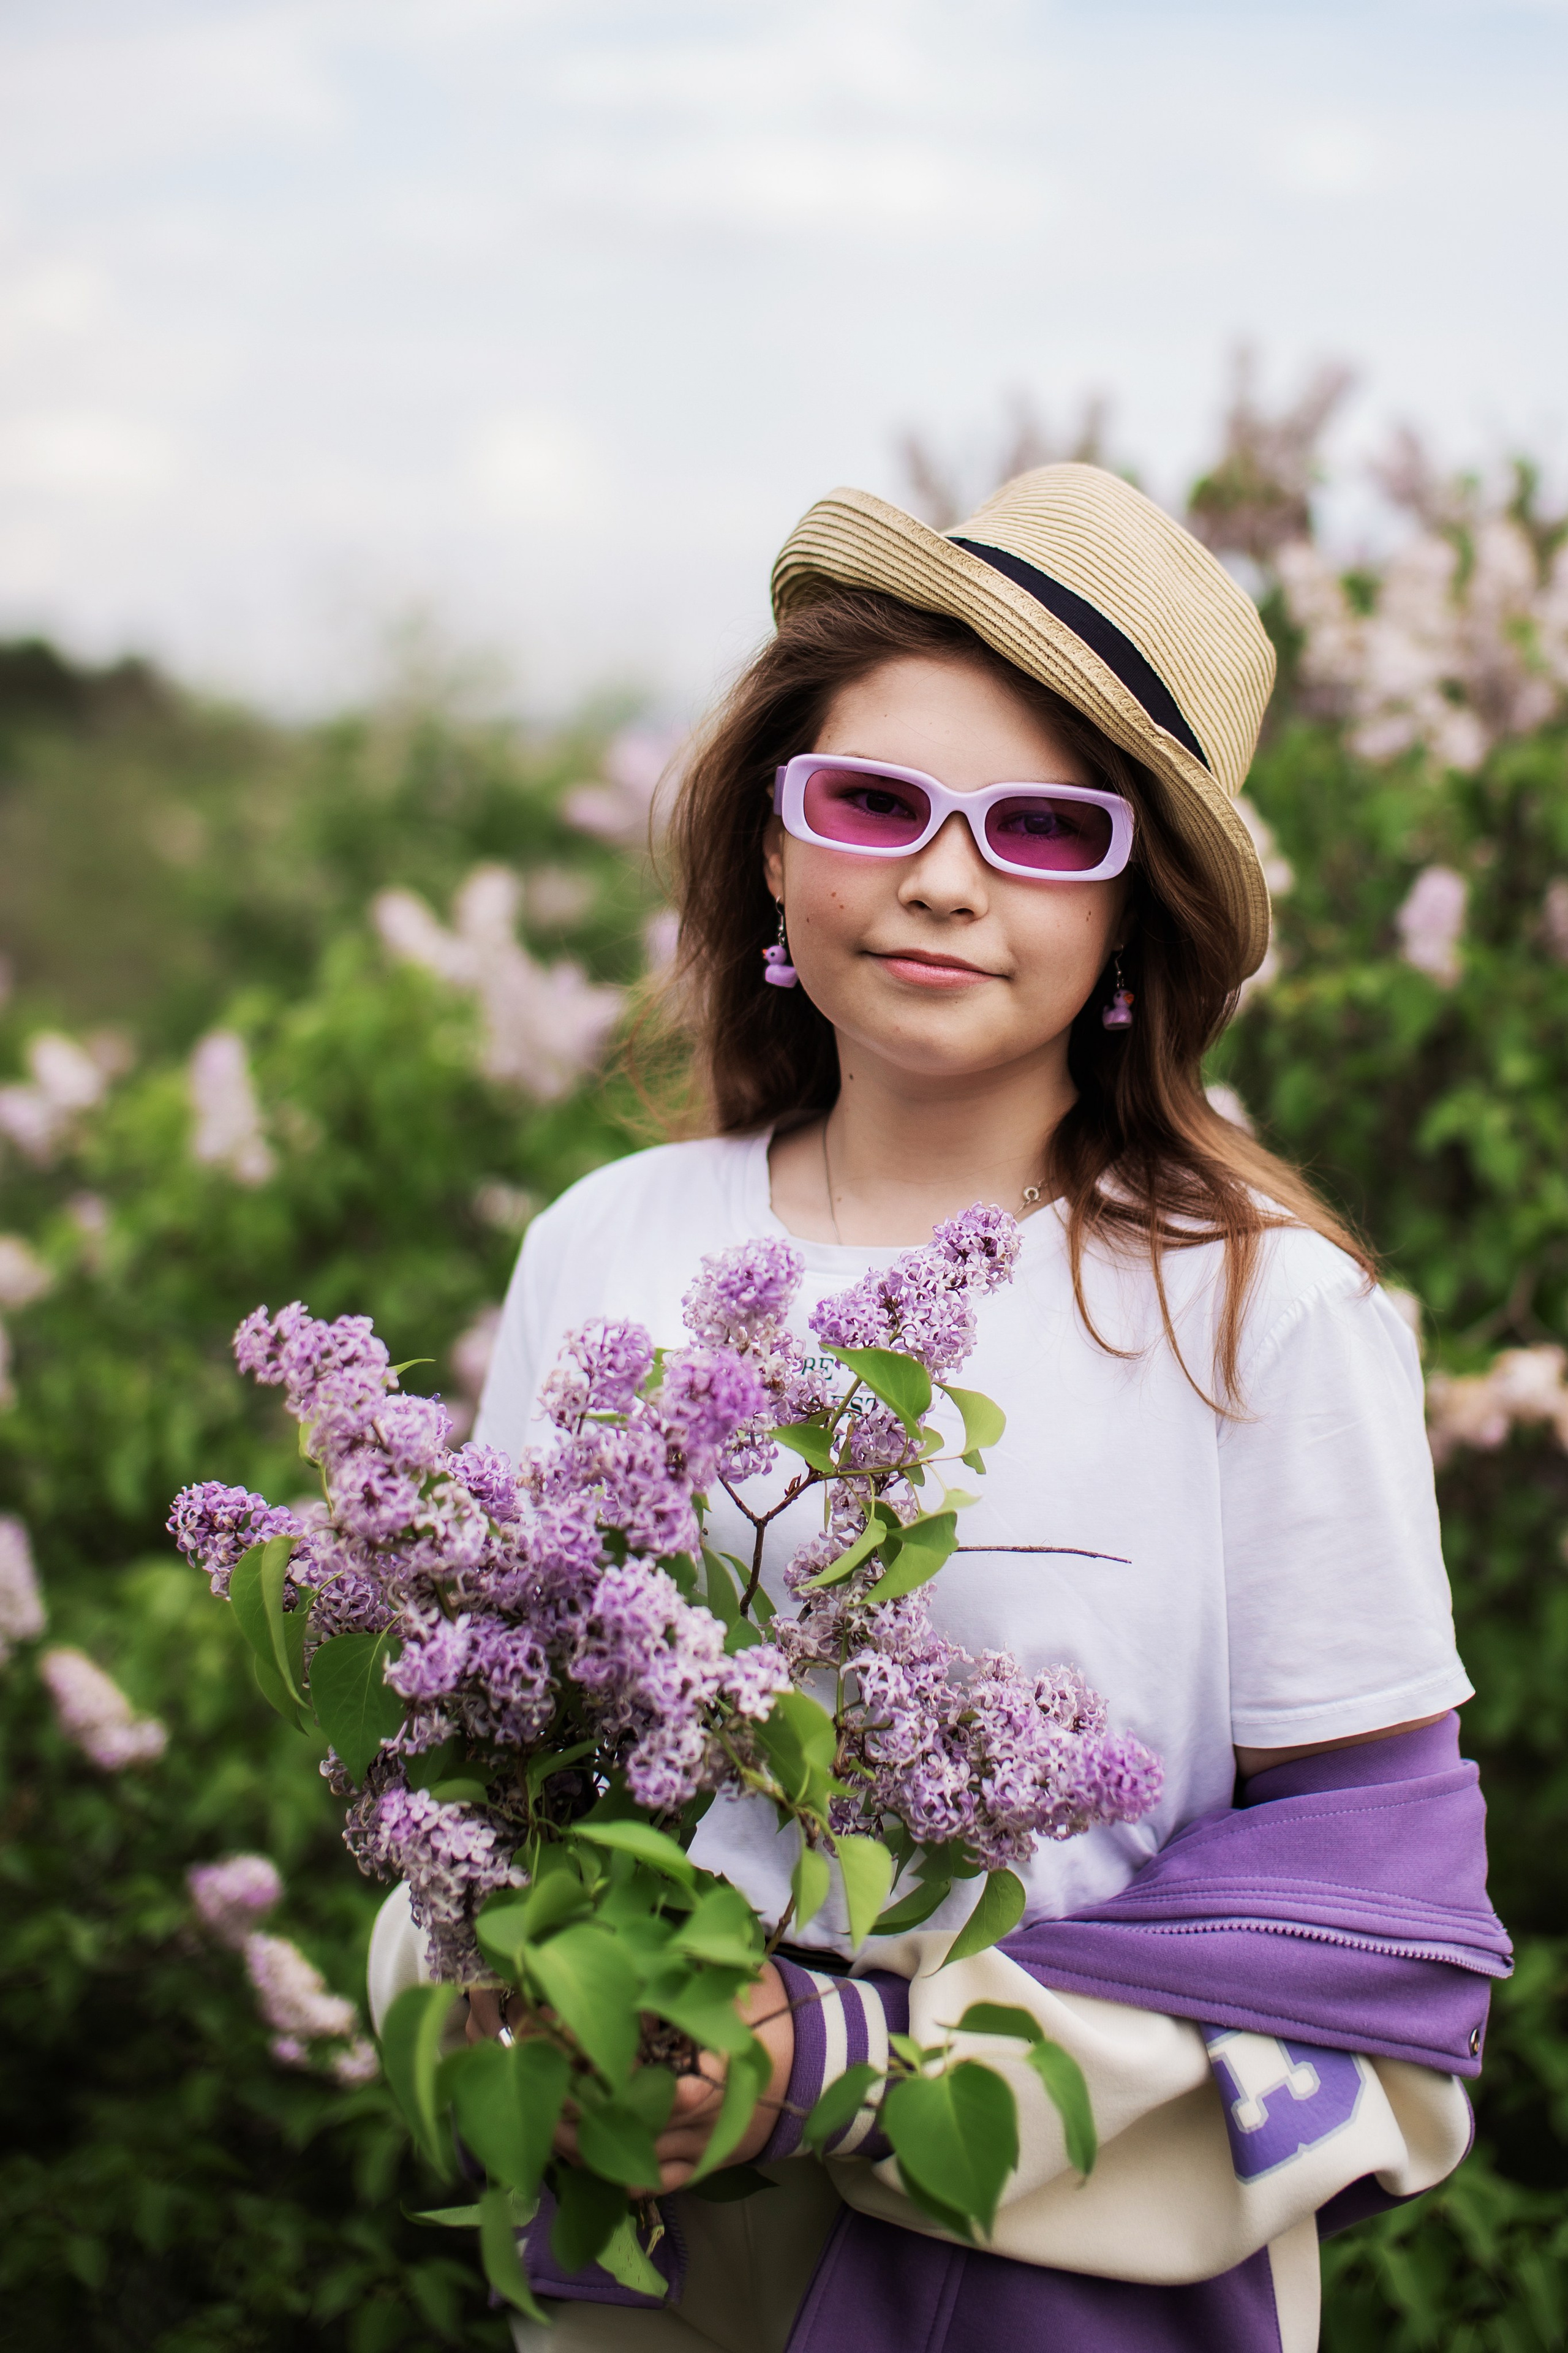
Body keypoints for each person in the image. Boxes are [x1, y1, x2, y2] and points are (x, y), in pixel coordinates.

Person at [373, 465, 1501, 2352]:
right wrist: (524, 1996)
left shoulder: (1259, 1310)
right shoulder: (609, 1244)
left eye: (1047, 828)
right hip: (640, 2270)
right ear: (770, 844)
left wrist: (853, 2047)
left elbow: (1370, 1918)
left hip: (1050, 2278)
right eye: (877, 800)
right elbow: (468, 1754)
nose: (947, 879)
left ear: (1138, 909)